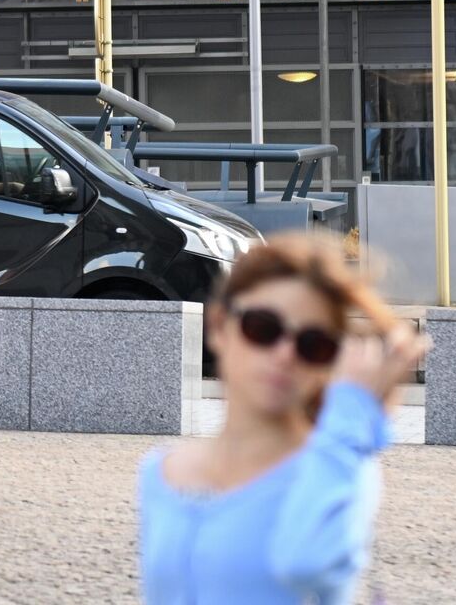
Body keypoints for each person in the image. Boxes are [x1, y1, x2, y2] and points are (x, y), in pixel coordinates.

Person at [139, 235, 428, 605]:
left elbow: (305, 563)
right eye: (263, 328)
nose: (285, 354)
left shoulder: (339, 467)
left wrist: (351, 411)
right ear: (219, 326)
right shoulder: (161, 473)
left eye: (313, 344)